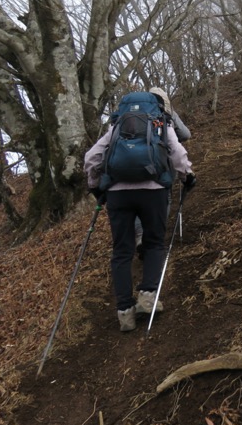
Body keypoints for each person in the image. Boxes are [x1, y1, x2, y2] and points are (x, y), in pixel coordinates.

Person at [84, 96, 196, 332]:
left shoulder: (115, 127)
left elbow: (91, 157)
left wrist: (96, 186)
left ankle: (125, 313)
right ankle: (147, 297)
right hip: (153, 190)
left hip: (117, 193)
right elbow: (176, 152)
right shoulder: (161, 123)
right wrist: (187, 176)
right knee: (154, 243)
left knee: (121, 251)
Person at [134, 87, 191, 258]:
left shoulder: (134, 116)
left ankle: (139, 236)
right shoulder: (167, 113)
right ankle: (153, 237)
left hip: (136, 164)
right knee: (164, 198)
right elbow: (186, 134)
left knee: (138, 202)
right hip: (162, 165)